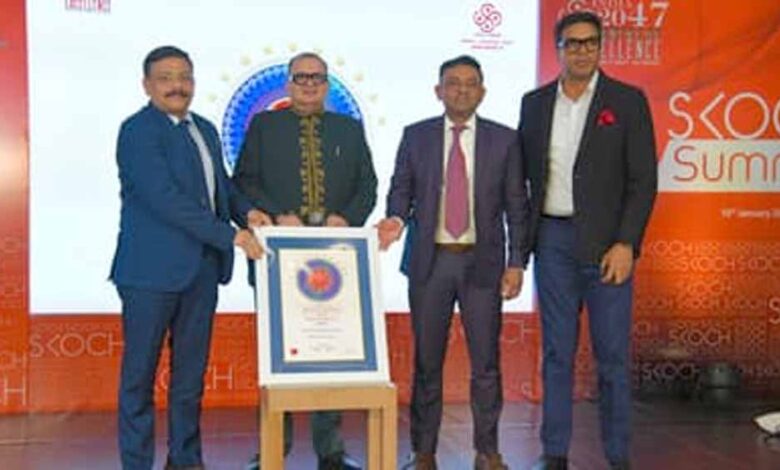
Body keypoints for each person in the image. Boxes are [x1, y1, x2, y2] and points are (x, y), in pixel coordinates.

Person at [110, 46, 270, 470]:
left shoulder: (205, 129)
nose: (177, 86)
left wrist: (247, 212)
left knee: (190, 378)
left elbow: (222, 188)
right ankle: (137, 464)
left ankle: (185, 459)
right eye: (165, 78)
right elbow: (166, 199)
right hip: (149, 274)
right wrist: (231, 235)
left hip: (201, 271)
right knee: (139, 379)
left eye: (184, 77)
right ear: (147, 85)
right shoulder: (137, 132)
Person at [517, 11, 658, 470]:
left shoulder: (628, 101)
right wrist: (519, 251)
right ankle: (555, 452)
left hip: (608, 245)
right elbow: (525, 178)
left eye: (590, 42)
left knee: (612, 355)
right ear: (558, 49)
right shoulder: (534, 104)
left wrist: (627, 243)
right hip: (552, 239)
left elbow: (643, 180)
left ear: (600, 47)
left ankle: (618, 455)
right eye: (572, 43)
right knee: (557, 351)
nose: (581, 51)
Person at [377, 55, 528, 470]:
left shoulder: (504, 140)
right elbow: (400, 189)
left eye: (470, 83)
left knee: (486, 364)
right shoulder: (416, 136)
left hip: (484, 265)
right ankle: (423, 451)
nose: (462, 89)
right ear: (438, 91)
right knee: (427, 362)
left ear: (482, 91)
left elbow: (517, 205)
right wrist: (394, 220)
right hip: (431, 263)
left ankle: (488, 450)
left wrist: (516, 261)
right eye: (453, 83)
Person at [233, 51, 376, 470]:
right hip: (277, 256)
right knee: (276, 354)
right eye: (301, 77)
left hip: (335, 260)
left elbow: (367, 185)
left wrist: (346, 217)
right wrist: (277, 215)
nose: (309, 84)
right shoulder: (264, 126)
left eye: (317, 77)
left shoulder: (348, 129)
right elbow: (243, 183)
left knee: (328, 349)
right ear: (289, 83)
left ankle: (330, 450)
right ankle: (273, 447)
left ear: (327, 84)